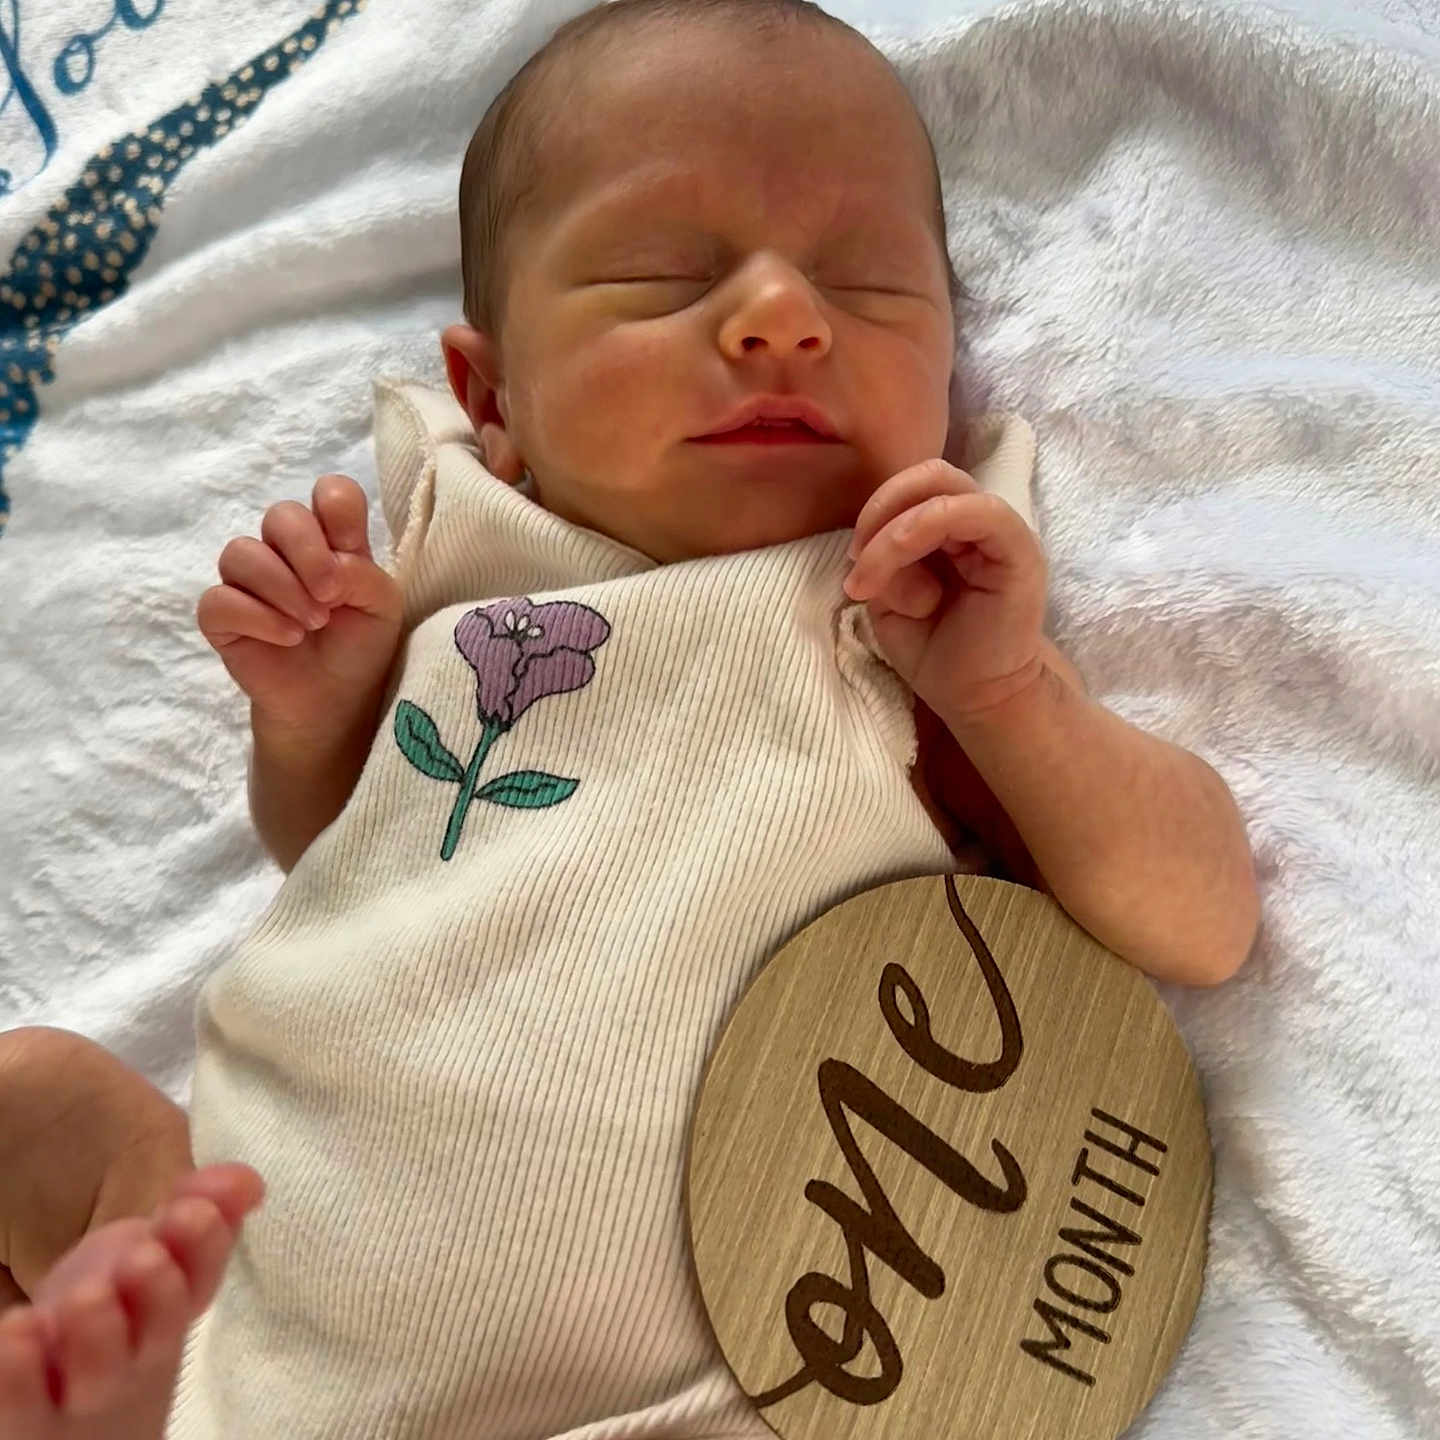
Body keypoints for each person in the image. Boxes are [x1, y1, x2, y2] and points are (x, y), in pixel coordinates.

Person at [0, 1, 1260, 1436]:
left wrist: (1018, 697)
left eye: (866, 284)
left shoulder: (912, 612)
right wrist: (316, 716)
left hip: (659, 1383)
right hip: (253, 1265)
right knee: (34, 1103)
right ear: (493, 399)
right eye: (664, 275)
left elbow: (1203, 920)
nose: (782, 315)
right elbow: (340, 857)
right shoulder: (458, 580)